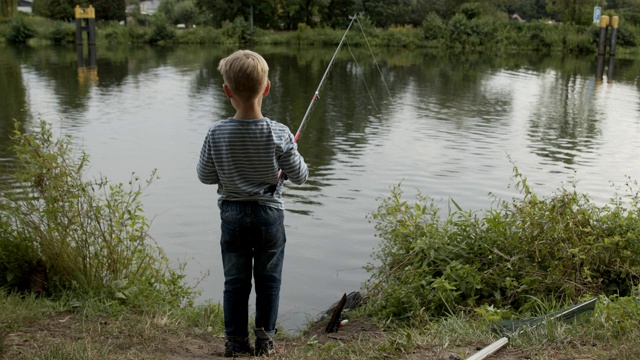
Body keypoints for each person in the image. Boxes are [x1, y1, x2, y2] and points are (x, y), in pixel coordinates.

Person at [196, 49, 309, 358]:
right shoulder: (280, 132)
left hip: (231, 216)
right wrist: (288, 160)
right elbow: (300, 176)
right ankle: (264, 343)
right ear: (267, 88)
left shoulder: (216, 132)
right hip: (269, 216)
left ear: (227, 91)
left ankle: (234, 343)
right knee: (269, 281)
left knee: (235, 282)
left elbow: (205, 176)